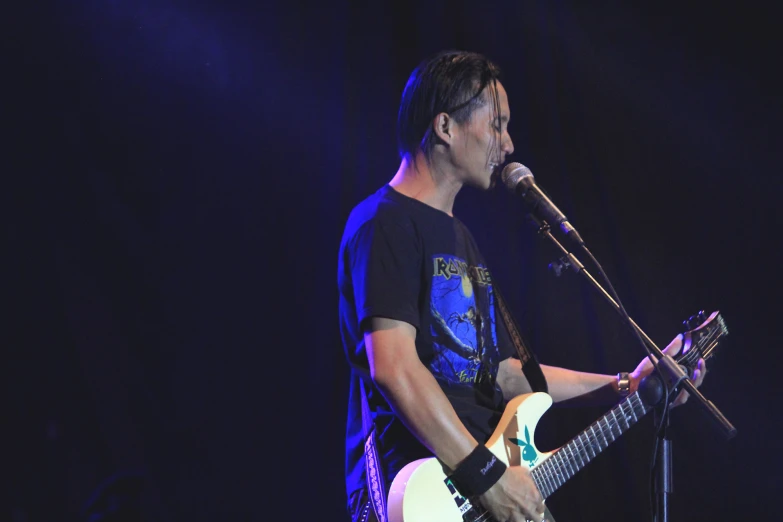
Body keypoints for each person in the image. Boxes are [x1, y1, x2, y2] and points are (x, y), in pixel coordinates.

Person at [337, 50, 706, 522]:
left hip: (489, 480)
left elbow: (504, 374)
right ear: (445, 127)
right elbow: (394, 366)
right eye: (497, 125)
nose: (508, 144)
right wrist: (486, 476)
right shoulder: (382, 223)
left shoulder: (460, 237)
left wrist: (625, 385)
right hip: (422, 490)